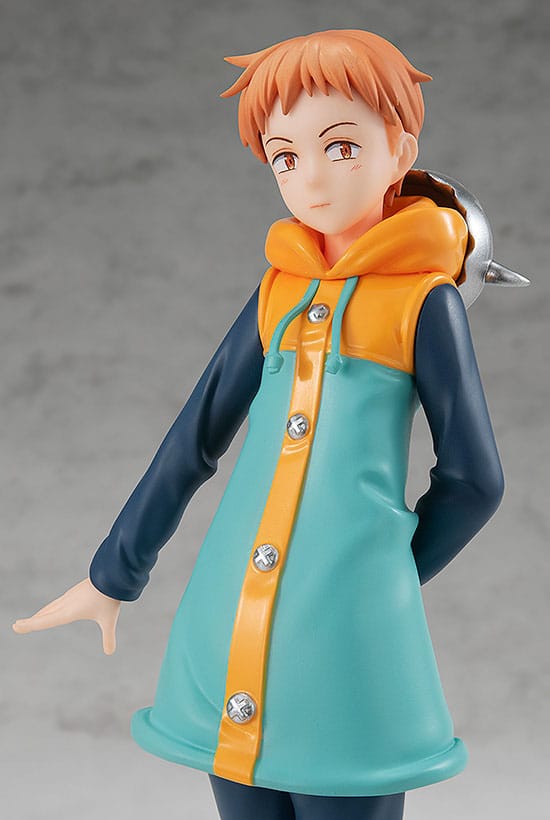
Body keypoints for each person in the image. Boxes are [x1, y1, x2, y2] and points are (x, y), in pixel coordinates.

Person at [13, 30, 506, 820]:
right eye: (284, 157)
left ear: (400, 150)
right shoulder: (280, 287)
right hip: (225, 620)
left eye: (340, 147)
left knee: (346, 785)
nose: (311, 177)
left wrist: (380, 583)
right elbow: (196, 434)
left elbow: (475, 481)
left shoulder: (423, 301)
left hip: (343, 651)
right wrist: (114, 574)